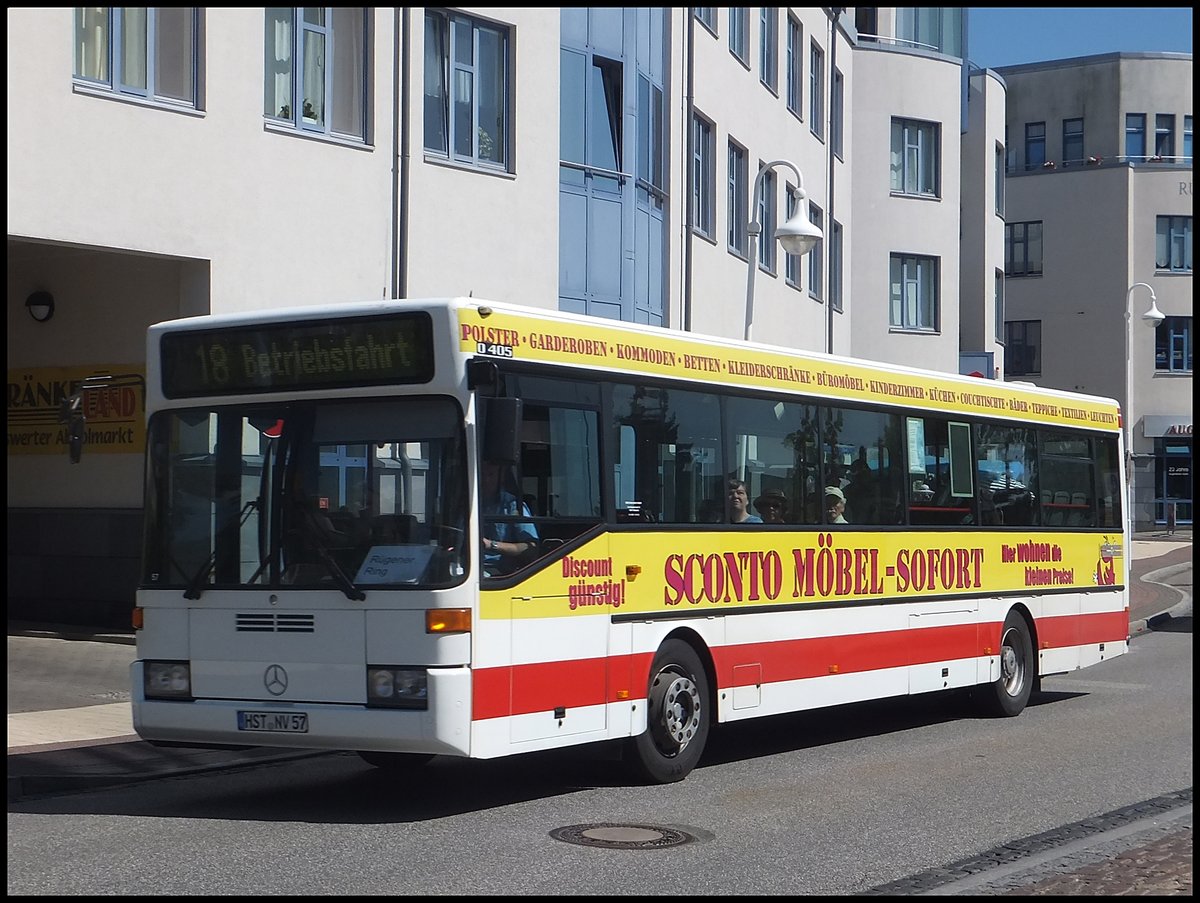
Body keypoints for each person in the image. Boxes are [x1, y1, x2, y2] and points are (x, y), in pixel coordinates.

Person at [480, 461, 539, 575]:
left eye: (490, 474)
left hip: (499, 572)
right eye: (482, 474)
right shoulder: (466, 505)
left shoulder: (513, 506)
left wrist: (490, 545)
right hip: (466, 567)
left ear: (501, 477)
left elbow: (531, 548)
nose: (485, 480)